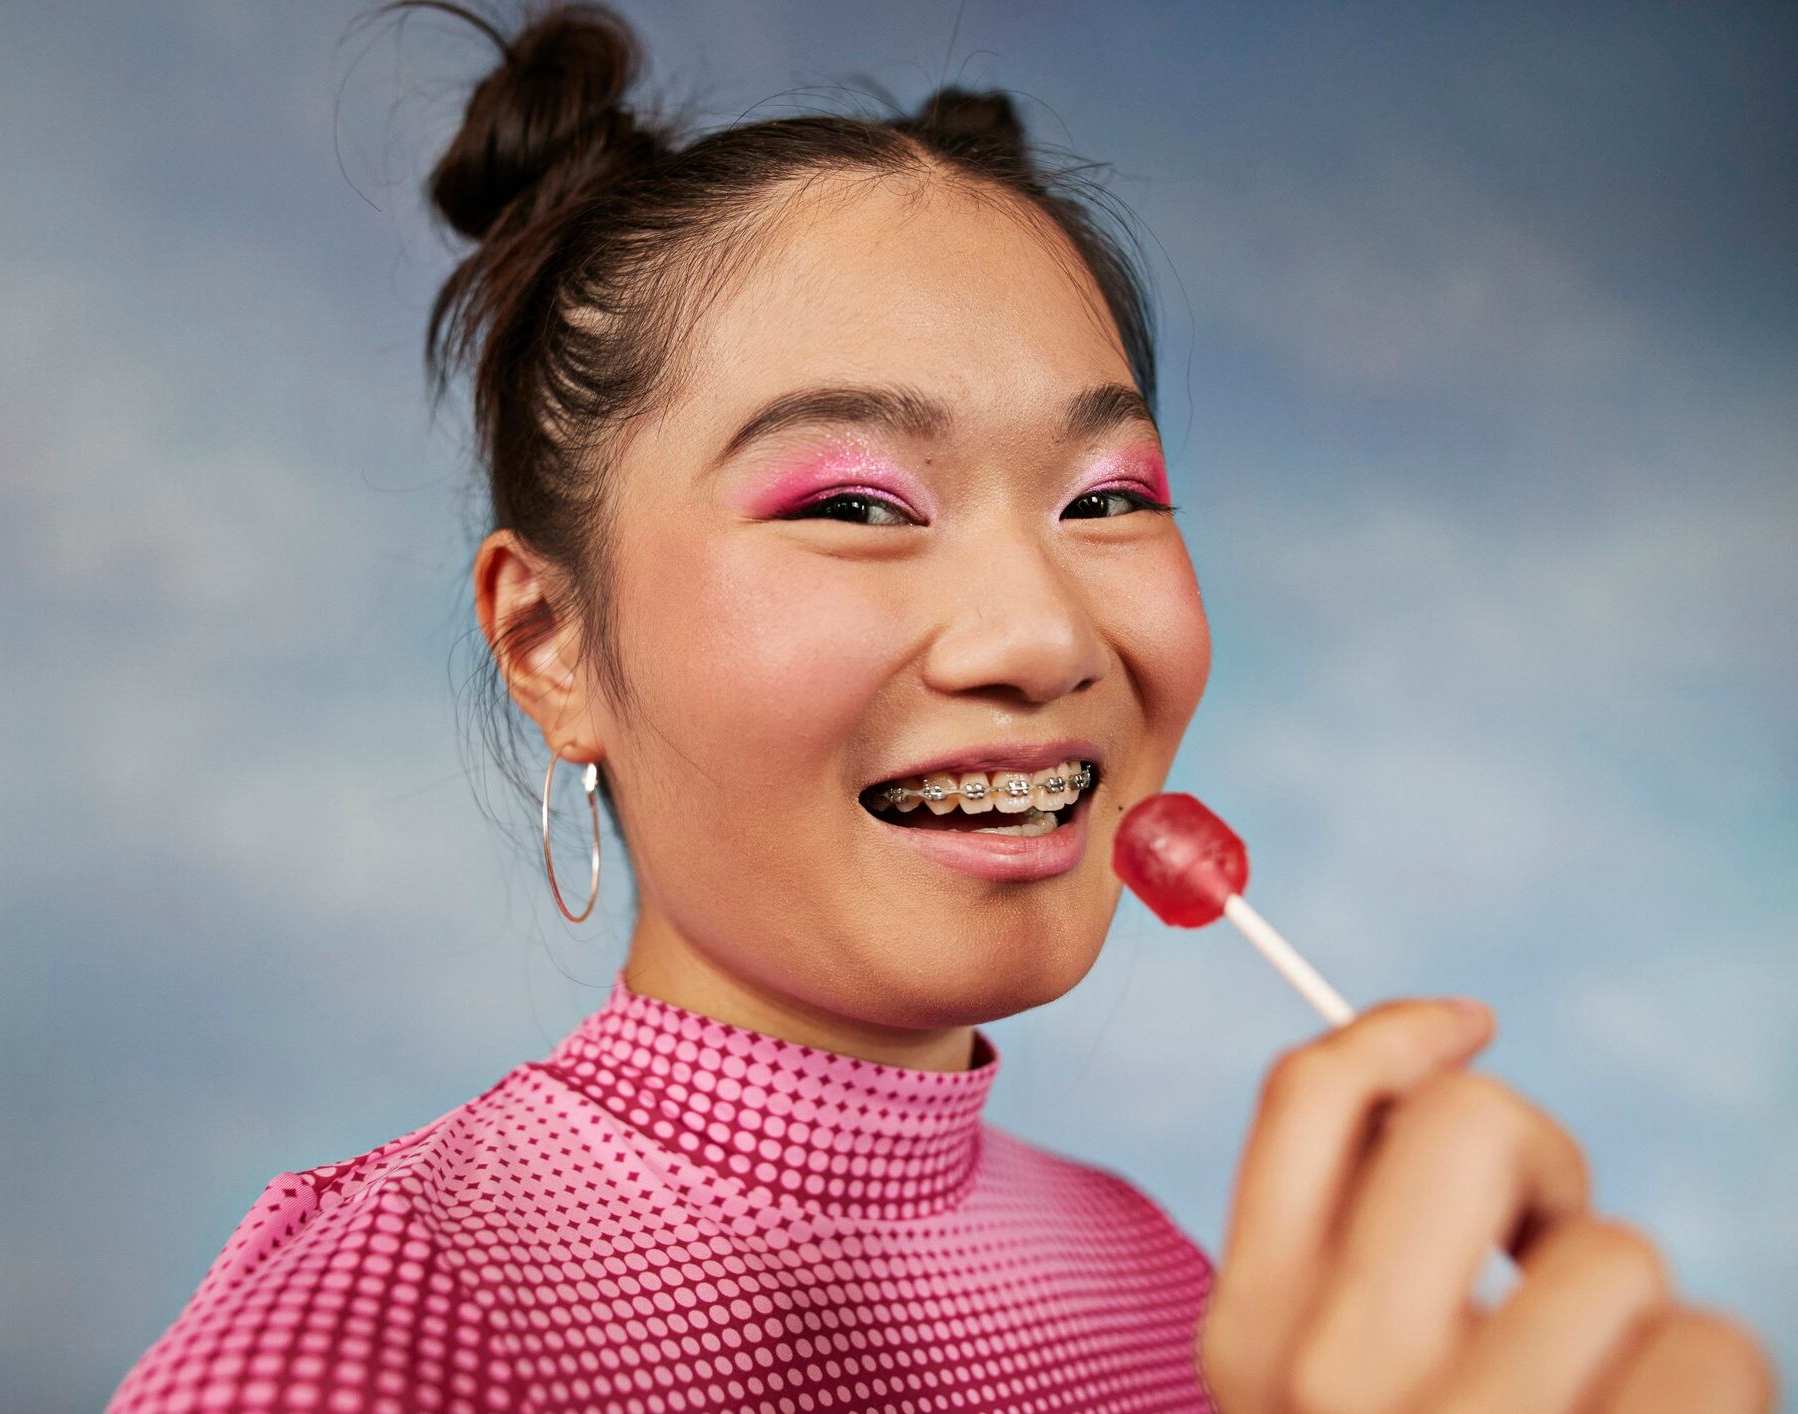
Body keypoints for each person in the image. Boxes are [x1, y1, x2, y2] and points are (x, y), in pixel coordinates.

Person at [106, 3, 1779, 1410]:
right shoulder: (369, 1335)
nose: (1039, 633)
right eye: (853, 504)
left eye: (1107, 496)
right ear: (548, 640)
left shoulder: (1153, 1276)